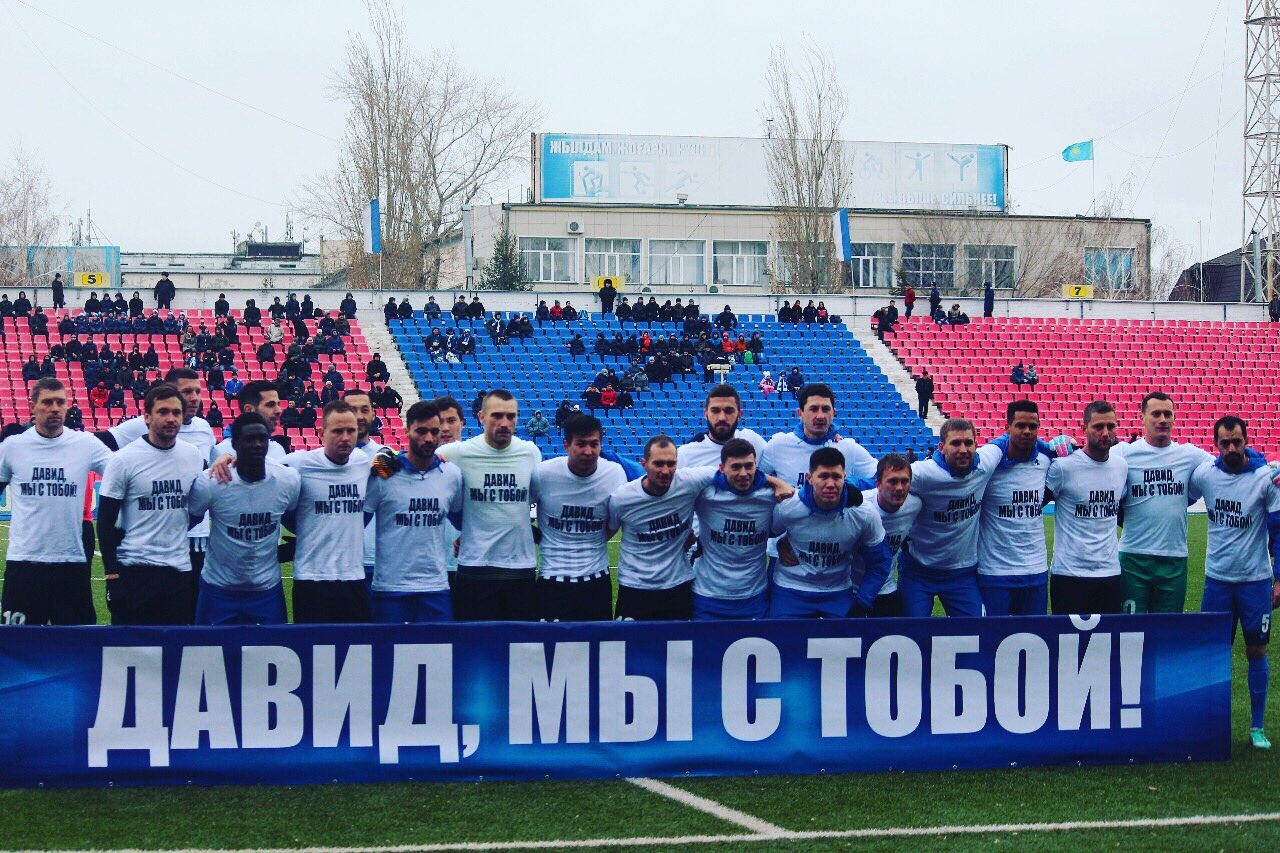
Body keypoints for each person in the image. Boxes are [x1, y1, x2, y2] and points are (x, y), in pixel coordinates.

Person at [1190, 415, 1280, 750]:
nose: (1231, 448)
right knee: (1213, 652)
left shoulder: (1266, 478)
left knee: (1257, 649)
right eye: (1225, 443)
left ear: (1246, 441)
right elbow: (1177, 495)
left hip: (1255, 582)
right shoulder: (1205, 475)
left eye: (1237, 442)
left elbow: (1278, 531)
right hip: (1217, 581)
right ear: (1216, 444)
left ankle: (1257, 727)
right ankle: (1209, 725)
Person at [0, 379, 113, 625]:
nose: (54, 408)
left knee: (77, 642)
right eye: (47, 402)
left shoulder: (85, 444)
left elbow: (123, 473)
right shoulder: (12, 448)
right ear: (33, 406)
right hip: (24, 563)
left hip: (70, 563)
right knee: (20, 644)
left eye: (60, 402)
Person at [97, 385, 204, 624]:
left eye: (176, 412)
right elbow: (104, 523)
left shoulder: (193, 456)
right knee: (130, 645)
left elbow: (201, 502)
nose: (171, 418)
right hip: (135, 571)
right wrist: (112, 577)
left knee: (177, 645)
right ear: (147, 417)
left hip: (180, 571)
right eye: (163, 412)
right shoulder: (123, 459)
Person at [435, 389, 540, 620]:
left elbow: (531, 502)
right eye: (497, 416)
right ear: (481, 417)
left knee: (519, 640)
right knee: (474, 640)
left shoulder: (530, 453)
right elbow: (416, 466)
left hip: (520, 568)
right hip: (475, 567)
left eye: (511, 416)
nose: (504, 423)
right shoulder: (456, 453)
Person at [187, 413, 300, 626]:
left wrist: (298, 544)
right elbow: (187, 522)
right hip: (218, 589)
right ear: (234, 444)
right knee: (208, 647)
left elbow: (294, 520)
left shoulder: (287, 480)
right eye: (249, 439)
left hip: (266, 590)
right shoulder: (212, 481)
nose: (257, 445)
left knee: (273, 646)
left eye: (262, 439)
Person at [1112, 392, 1213, 613]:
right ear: (1142, 417)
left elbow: (1226, 465)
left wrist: (1265, 462)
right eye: (1156, 414)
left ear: (1175, 417)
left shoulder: (1189, 455)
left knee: (1167, 629)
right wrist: (1064, 445)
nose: (1163, 419)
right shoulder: (1124, 453)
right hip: (1133, 558)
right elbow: (1088, 460)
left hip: (1174, 558)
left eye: (1168, 414)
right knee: (1131, 630)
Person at [364, 401, 464, 623]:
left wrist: (466, 536)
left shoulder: (451, 475)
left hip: (435, 588)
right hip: (390, 588)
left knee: (439, 645)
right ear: (407, 430)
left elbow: (462, 520)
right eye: (421, 431)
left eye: (434, 432)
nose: (428, 438)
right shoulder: (384, 473)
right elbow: (356, 521)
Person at [272, 401, 370, 622]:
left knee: (356, 643)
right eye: (337, 431)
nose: (345, 437)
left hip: (353, 577)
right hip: (311, 579)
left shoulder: (363, 463)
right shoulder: (300, 463)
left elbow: (397, 465)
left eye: (351, 431)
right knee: (311, 644)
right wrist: (229, 460)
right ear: (321, 432)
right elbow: (263, 472)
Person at [899, 418, 1003, 618]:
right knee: (911, 632)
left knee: (977, 631)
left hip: (962, 572)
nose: (963, 449)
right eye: (955, 443)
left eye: (968, 443)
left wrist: (1052, 448)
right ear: (941, 447)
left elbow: (1006, 441)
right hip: (919, 570)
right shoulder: (923, 473)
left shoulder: (985, 463)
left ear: (976, 444)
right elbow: (880, 479)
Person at [607, 436, 720, 620]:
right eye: (658, 464)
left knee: (680, 639)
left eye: (671, 464)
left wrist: (770, 481)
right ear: (644, 464)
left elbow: (732, 471)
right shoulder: (622, 498)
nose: (666, 471)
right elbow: (606, 532)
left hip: (677, 587)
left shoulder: (689, 482)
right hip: (635, 589)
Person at [771, 447, 890, 618]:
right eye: (823, 476)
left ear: (845, 478)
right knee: (782, 635)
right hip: (790, 588)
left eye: (836, 477)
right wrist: (780, 542)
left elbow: (880, 561)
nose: (830, 484)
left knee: (848, 636)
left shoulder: (863, 513)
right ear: (809, 478)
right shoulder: (788, 505)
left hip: (837, 591)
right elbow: (764, 534)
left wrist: (863, 602)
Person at [531, 414, 628, 621]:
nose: (588, 451)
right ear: (566, 445)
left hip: (596, 581)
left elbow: (614, 523)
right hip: (552, 581)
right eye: (581, 444)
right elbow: (520, 506)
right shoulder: (543, 474)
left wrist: (593, 540)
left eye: (594, 444)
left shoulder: (614, 474)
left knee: (597, 642)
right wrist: (532, 531)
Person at [1046, 400, 1128, 615]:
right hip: (1069, 575)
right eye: (1098, 426)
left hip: (1109, 573)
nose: (1105, 433)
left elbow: (1120, 512)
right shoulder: (1063, 467)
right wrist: (1045, 450)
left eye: (1110, 426)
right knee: (1067, 637)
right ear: (1084, 428)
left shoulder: (1121, 467)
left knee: (1109, 636)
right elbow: (1034, 503)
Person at [977, 400, 1053, 616]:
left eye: (1033, 426)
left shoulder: (1045, 460)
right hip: (994, 572)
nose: (1027, 431)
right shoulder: (991, 464)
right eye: (1020, 425)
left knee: (1035, 635)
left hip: (1036, 570)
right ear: (1007, 427)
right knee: (993, 634)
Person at [690, 438, 779, 619]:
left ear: (756, 466)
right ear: (722, 468)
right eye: (736, 467)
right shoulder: (705, 495)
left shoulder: (771, 496)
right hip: (707, 595)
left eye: (749, 466)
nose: (743, 473)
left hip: (754, 596)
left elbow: (796, 519)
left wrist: (786, 542)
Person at [759, 384, 877, 490]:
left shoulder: (847, 448)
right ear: (800, 413)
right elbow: (755, 478)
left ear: (833, 413)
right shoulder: (779, 445)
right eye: (813, 409)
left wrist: (850, 485)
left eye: (826, 409)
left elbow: (881, 477)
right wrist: (777, 484)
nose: (820, 416)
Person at [863, 454, 923, 617]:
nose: (899, 488)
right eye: (892, 481)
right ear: (878, 484)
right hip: (850, 588)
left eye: (904, 481)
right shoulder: (860, 506)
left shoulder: (915, 505)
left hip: (886, 588)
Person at [677, 384, 768, 468]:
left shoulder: (753, 441)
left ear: (739, 414)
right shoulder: (686, 455)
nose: (722, 418)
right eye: (715, 411)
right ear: (706, 414)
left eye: (729, 411)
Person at [212, 380, 287, 461]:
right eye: (270, 405)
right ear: (249, 410)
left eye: (278, 404)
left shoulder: (278, 450)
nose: (279, 411)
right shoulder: (220, 452)